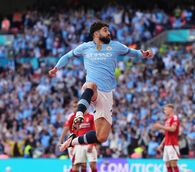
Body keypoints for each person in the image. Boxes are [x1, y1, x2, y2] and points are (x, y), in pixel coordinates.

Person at [49, 21, 153, 151]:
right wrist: (56, 68)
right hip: (91, 90)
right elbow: (68, 56)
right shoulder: (85, 47)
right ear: (96, 33)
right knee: (91, 85)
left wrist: (143, 54)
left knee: (101, 137)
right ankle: (79, 114)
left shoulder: (115, 46)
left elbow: (132, 52)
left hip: (107, 94)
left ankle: (73, 141)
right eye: (105, 30)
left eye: (108, 30)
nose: (108, 32)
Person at [57, 102, 97, 172]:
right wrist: (62, 141)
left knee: (87, 165)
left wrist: (92, 144)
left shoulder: (90, 116)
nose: (75, 108)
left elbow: (95, 130)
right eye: (74, 107)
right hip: (76, 143)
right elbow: (68, 130)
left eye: (77, 107)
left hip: (86, 143)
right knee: (76, 164)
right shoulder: (72, 117)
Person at [154, 104, 180, 172]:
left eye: (165, 109)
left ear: (170, 109)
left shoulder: (175, 118)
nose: (164, 111)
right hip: (167, 145)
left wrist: (161, 127)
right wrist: (161, 144)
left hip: (172, 144)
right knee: (167, 164)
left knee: (173, 164)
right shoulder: (167, 120)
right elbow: (167, 135)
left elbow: (173, 129)